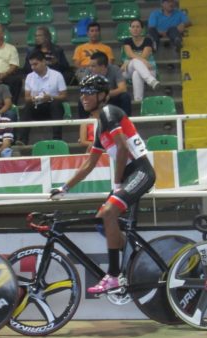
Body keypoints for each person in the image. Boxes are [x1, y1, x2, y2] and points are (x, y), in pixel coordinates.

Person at [50, 74, 155, 294]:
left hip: (141, 171)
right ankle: (132, 252)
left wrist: (117, 183)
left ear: (103, 96)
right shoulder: (100, 127)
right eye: (82, 93)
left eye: (89, 93)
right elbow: (89, 163)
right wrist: (64, 188)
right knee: (101, 221)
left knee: (108, 212)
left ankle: (114, 276)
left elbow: (123, 148)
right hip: (128, 176)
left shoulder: (109, 113)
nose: (84, 97)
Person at [17, 50, 67, 145]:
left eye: (36, 64)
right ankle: (22, 139)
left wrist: (50, 97)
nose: (33, 67)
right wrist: (33, 98)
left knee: (56, 105)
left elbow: (63, 96)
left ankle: (57, 139)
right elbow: (26, 98)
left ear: (44, 61)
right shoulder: (29, 77)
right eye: (31, 65)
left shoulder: (57, 75)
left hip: (52, 107)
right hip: (37, 106)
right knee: (27, 106)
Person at [78, 51, 131, 117]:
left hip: (111, 98)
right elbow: (84, 89)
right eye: (90, 66)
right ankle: (84, 123)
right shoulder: (88, 71)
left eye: (93, 66)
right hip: (95, 97)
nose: (90, 68)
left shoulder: (115, 69)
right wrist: (100, 95)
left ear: (102, 67)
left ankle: (125, 120)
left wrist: (107, 94)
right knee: (82, 100)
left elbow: (123, 89)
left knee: (125, 97)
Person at [121, 19, 160, 102]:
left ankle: (138, 100)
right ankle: (151, 81)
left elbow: (144, 56)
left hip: (147, 69)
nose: (135, 29)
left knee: (136, 73)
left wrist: (130, 60)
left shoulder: (148, 40)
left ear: (142, 29)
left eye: (138, 27)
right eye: (133, 27)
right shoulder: (127, 41)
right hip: (129, 69)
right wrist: (143, 61)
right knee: (135, 62)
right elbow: (130, 54)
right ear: (130, 29)